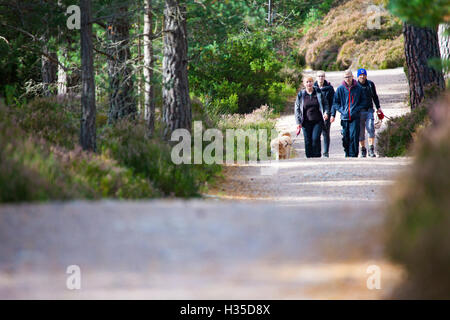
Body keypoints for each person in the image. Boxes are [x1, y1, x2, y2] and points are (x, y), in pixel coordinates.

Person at [330, 70, 364, 157]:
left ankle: (353, 155)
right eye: (345, 77)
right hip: (344, 117)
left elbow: (364, 102)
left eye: (349, 76)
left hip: (355, 116)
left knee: (354, 136)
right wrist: (342, 110)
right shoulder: (340, 89)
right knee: (345, 137)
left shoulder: (358, 88)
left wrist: (356, 109)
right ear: (343, 78)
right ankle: (347, 152)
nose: (347, 79)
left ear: (352, 76)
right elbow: (335, 103)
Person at [295, 76, 330, 158]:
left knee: (315, 139)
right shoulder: (301, 94)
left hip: (317, 121)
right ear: (304, 84)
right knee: (307, 141)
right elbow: (297, 109)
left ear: (313, 82)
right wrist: (298, 122)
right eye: (307, 82)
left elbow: (326, 104)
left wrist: (326, 112)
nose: (309, 83)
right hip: (305, 122)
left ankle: (317, 157)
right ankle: (309, 158)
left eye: (310, 81)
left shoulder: (318, 92)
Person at [356, 68, 384, 157]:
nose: (362, 77)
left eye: (364, 75)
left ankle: (371, 149)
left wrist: (378, 107)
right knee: (361, 132)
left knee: (371, 128)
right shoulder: (355, 85)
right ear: (358, 76)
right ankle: (363, 149)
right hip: (359, 112)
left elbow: (375, 97)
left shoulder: (370, 84)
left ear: (366, 75)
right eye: (360, 75)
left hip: (369, 110)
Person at [314, 71, 335, 158]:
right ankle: (316, 152)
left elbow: (333, 102)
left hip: (327, 114)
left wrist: (332, 114)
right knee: (316, 134)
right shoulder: (313, 87)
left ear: (324, 77)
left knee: (325, 133)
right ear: (316, 77)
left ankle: (325, 152)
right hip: (315, 115)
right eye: (319, 76)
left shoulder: (329, 88)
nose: (321, 78)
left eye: (322, 76)